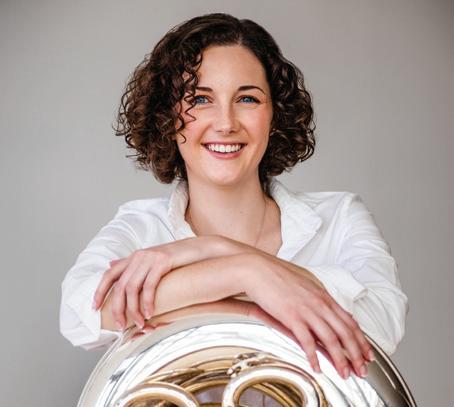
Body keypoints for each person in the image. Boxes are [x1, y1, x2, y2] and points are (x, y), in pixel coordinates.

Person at [59, 13, 408, 382]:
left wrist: (213, 253)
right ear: (167, 117)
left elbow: (381, 324)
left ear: (274, 115)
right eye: (200, 99)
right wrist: (246, 275)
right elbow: (80, 315)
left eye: (247, 98)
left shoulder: (340, 215)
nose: (226, 123)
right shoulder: (140, 227)